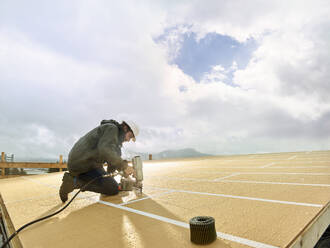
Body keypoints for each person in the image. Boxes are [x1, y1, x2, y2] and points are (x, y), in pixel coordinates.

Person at [59, 119, 139, 203]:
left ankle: (78, 179)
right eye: (130, 136)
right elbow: (105, 150)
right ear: (125, 128)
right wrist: (124, 166)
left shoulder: (115, 141)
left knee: (111, 186)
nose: (128, 140)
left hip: (90, 163)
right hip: (81, 163)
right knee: (112, 189)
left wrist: (127, 177)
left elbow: (112, 162)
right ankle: (73, 182)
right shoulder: (112, 129)